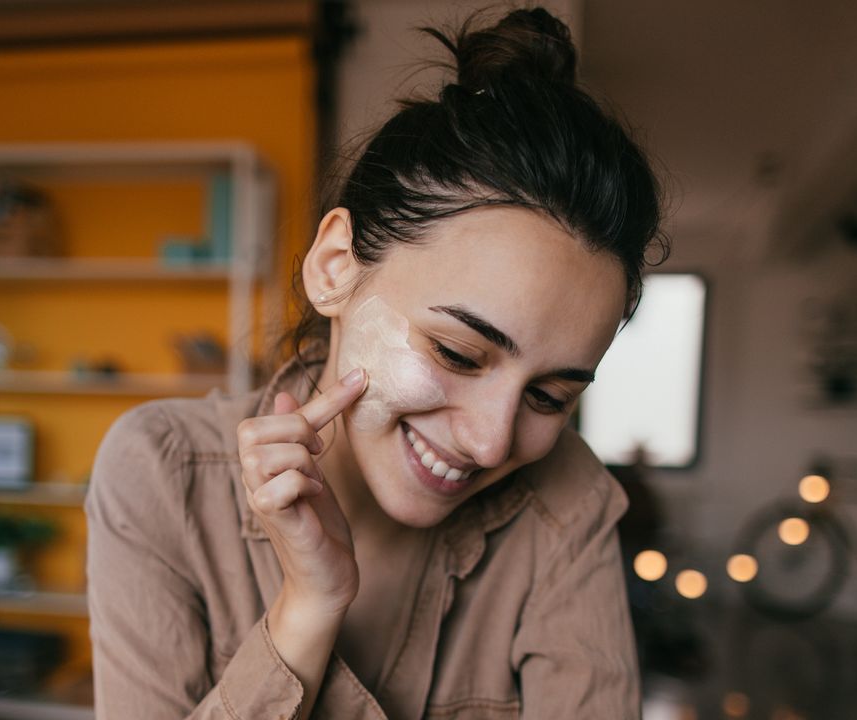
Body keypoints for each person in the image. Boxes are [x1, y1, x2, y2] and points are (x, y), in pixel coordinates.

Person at [85, 7, 666, 719]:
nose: (491, 441)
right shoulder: (162, 472)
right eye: (458, 352)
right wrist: (308, 608)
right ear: (334, 268)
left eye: (549, 396)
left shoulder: (564, 502)